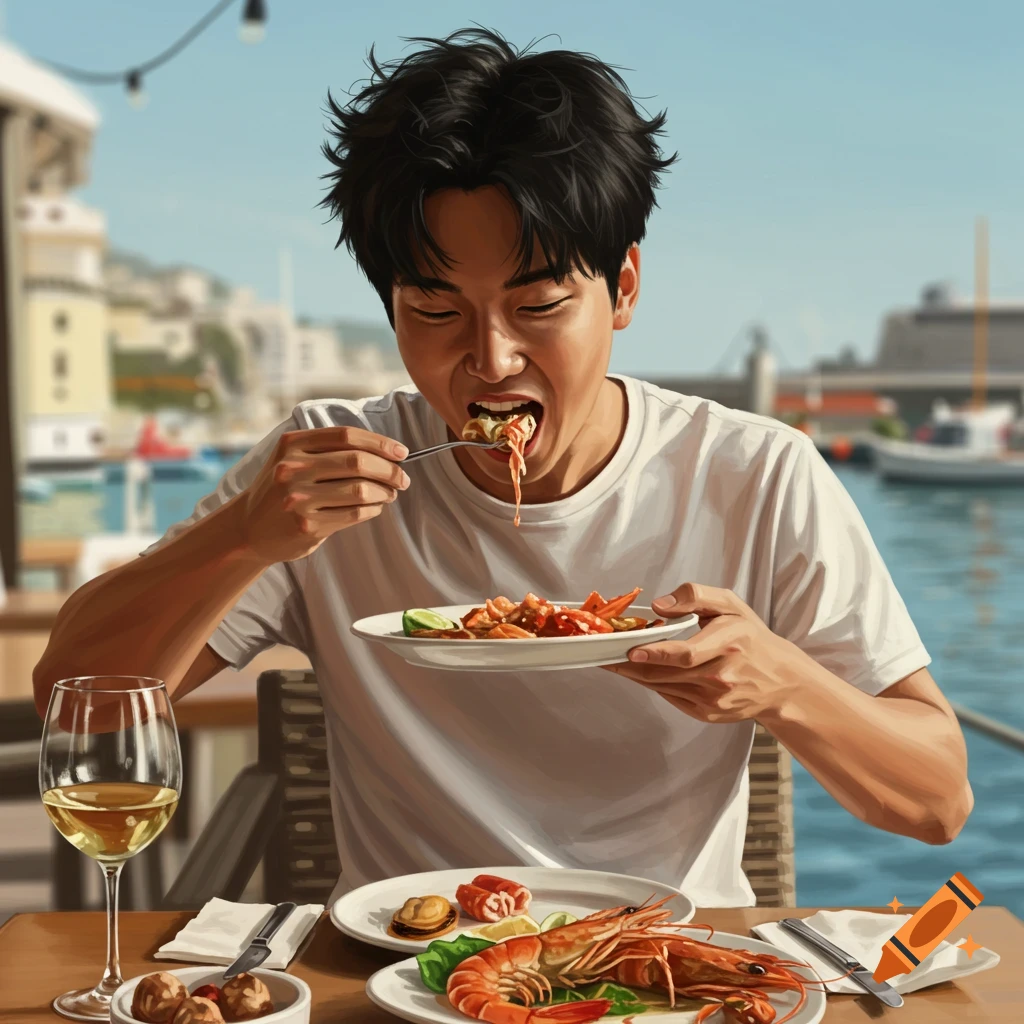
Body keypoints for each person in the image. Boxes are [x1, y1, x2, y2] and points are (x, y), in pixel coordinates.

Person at [34, 27, 972, 908]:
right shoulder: (317, 466)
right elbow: (78, 709)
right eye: (437, 311)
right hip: (398, 977)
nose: (490, 360)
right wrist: (238, 539)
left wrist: (787, 685)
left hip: (670, 973)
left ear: (625, 290)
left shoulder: (755, 473)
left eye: (539, 305)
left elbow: (935, 804)